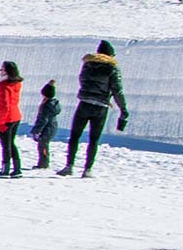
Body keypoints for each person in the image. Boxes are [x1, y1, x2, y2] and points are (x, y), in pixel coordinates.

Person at [58, 40, 128, 178]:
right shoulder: (112, 68)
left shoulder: (87, 64)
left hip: (84, 103)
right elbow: (117, 90)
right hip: (100, 107)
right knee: (94, 139)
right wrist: (123, 109)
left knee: (75, 136)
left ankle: (69, 166)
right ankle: (87, 169)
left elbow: (82, 80)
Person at [0, 60, 24, 178]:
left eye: (2, 69)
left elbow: (5, 105)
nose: (0, 71)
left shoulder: (3, 86)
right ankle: (17, 168)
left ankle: (5, 168)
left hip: (7, 118)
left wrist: (0, 121)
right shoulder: (16, 83)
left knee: (5, 144)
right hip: (15, 115)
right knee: (11, 143)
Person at [29, 80, 61, 170]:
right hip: (52, 127)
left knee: (43, 145)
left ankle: (43, 164)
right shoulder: (53, 104)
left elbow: (43, 120)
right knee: (43, 145)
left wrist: (36, 131)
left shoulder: (46, 106)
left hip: (48, 129)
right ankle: (43, 163)